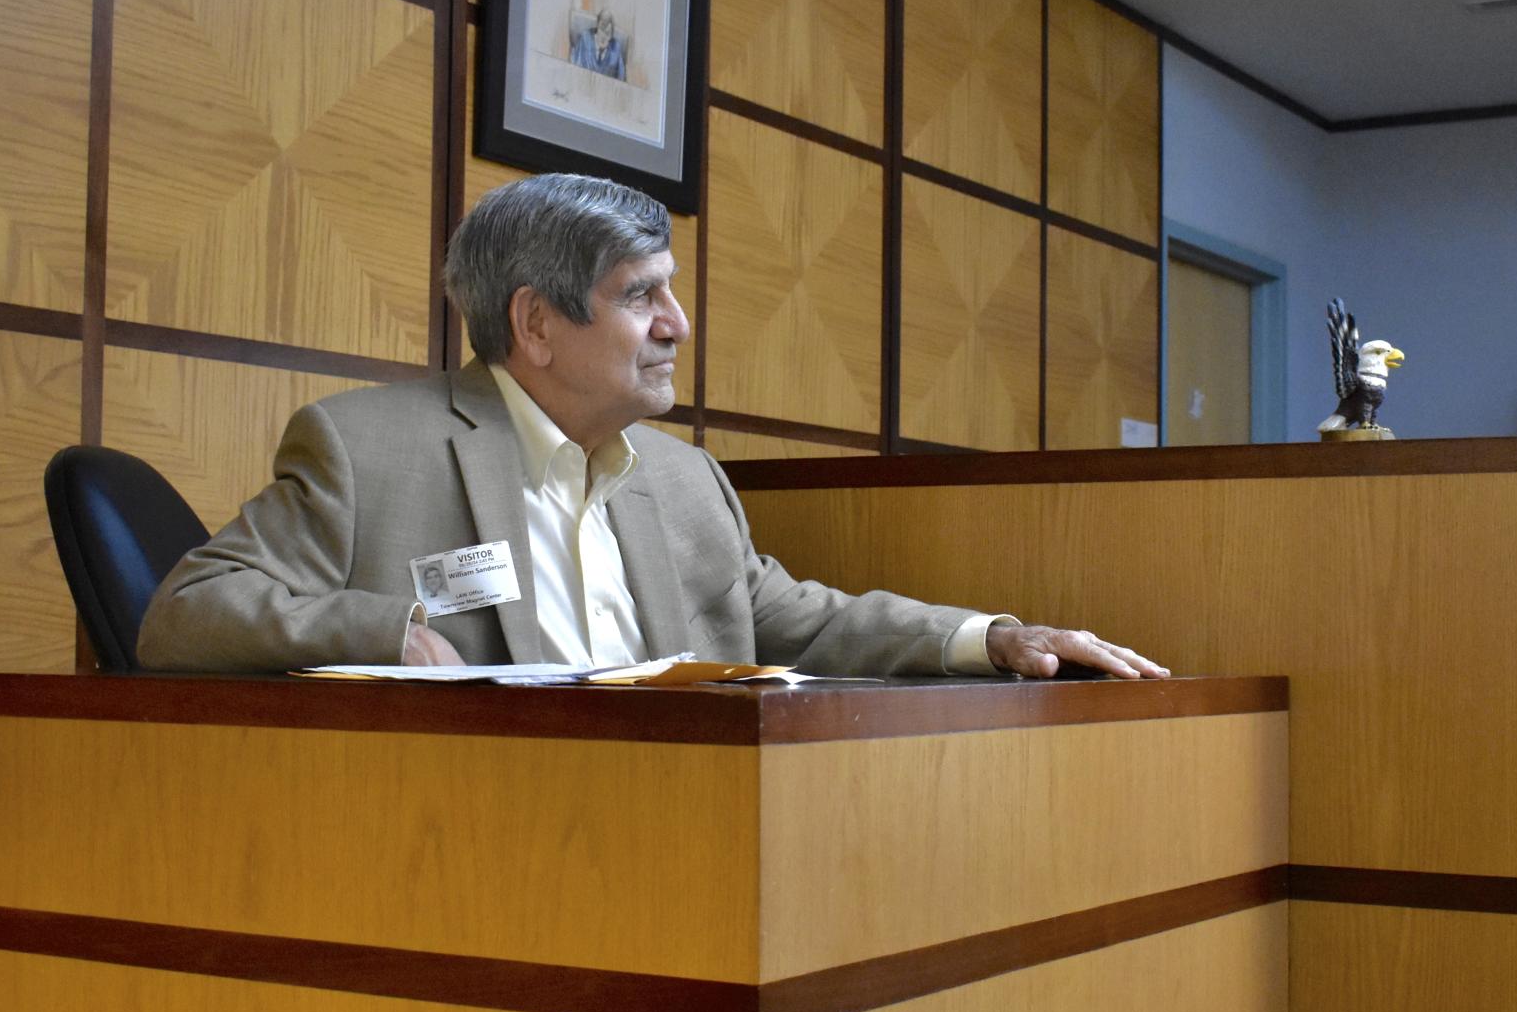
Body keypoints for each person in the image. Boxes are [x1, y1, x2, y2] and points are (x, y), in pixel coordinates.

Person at [137, 174, 1167, 681]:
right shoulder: (367, 449)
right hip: (467, 854)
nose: (678, 325)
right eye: (642, 297)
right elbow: (185, 613)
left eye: (670, 292)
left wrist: (991, 640)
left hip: (696, 835)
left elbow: (798, 621)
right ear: (535, 323)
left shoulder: (681, 482)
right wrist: (385, 636)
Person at [567, 9, 626, 80]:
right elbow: (573, 67)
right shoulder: (585, 39)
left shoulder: (616, 48)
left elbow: (621, 78)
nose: (603, 37)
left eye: (607, 33)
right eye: (601, 30)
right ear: (597, 27)